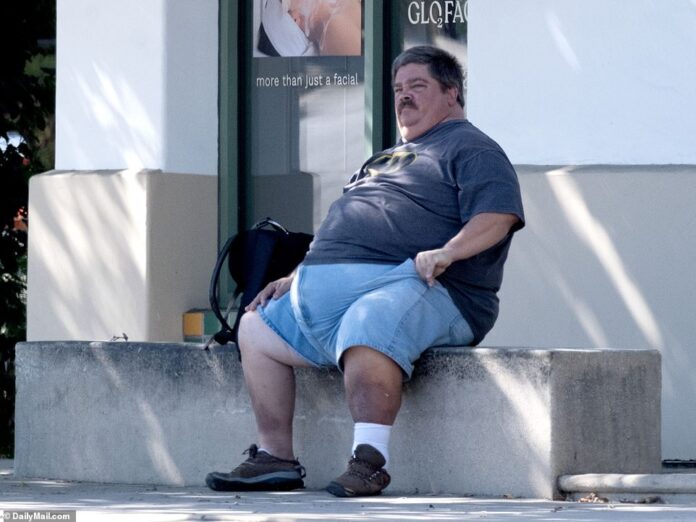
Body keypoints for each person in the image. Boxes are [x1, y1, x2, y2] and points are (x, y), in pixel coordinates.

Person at [206, 45, 525, 497]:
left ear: (452, 94)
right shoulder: (385, 156)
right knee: (255, 329)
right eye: (398, 89)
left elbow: (498, 215)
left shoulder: (471, 148)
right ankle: (275, 457)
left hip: (426, 286)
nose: (404, 97)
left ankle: (369, 461)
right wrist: (298, 274)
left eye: (418, 86)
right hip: (331, 290)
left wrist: (447, 253)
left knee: (367, 325)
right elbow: (351, 223)